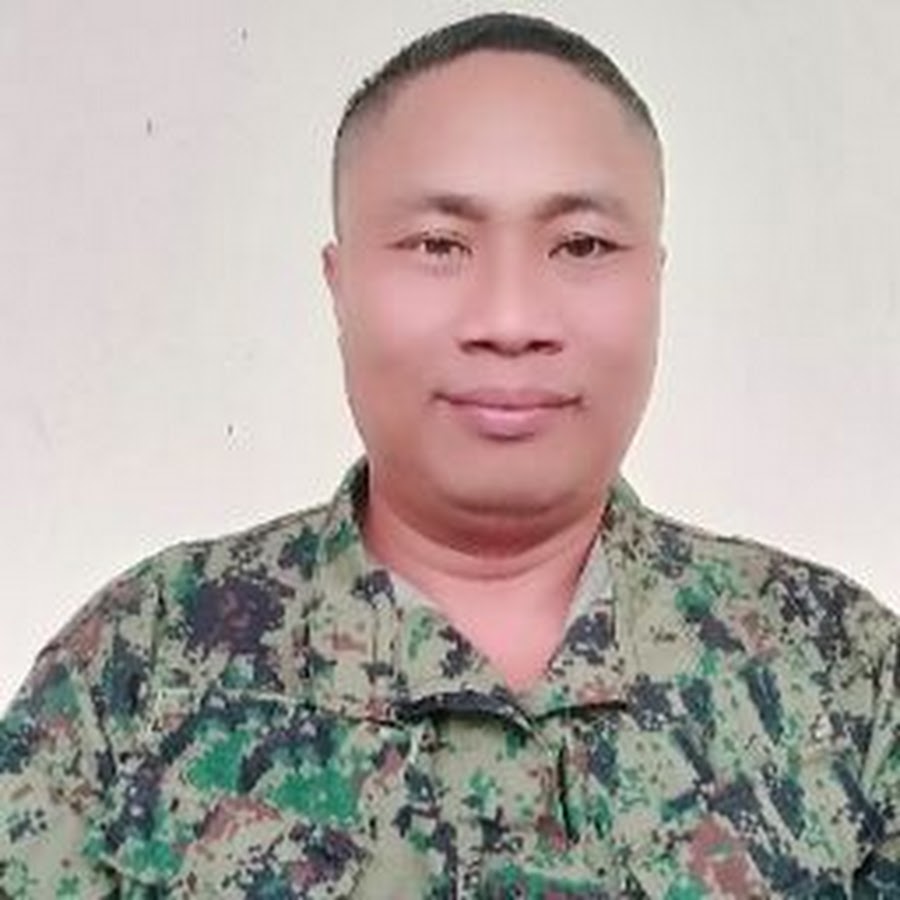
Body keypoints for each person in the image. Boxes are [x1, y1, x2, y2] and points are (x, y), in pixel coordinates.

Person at [1, 11, 897, 898]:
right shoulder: (139, 667)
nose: (510, 320)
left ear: (652, 281)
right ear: (340, 285)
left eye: (582, 245)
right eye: (438, 246)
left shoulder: (841, 675)